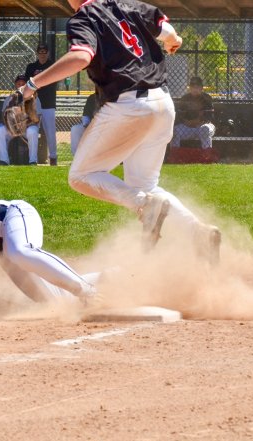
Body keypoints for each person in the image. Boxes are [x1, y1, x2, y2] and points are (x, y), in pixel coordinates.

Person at [18, 0, 221, 258]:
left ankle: (144, 204)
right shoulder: (128, 5)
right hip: (163, 104)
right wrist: (174, 41)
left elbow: (80, 57)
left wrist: (32, 85)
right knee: (145, 185)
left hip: (128, 106)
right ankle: (199, 233)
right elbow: (168, 32)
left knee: (80, 176)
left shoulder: (84, 17)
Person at [0, 75, 42, 165]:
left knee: (32, 131)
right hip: (12, 128)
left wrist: (24, 123)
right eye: (18, 83)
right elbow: (3, 116)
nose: (20, 86)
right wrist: (11, 124)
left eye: (23, 84)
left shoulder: (34, 98)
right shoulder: (10, 98)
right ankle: (4, 160)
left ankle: (32, 161)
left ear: (27, 85)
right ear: (15, 85)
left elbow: (37, 119)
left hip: (27, 128)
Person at [24, 43, 58, 165]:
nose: (42, 54)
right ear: (37, 53)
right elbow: (27, 84)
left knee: (50, 132)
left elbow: (54, 81)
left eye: (44, 52)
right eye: (40, 52)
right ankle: (33, 159)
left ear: (48, 53)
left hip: (48, 103)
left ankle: (53, 157)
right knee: (33, 130)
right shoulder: (31, 67)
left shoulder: (52, 66)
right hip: (34, 105)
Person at [172, 76, 215, 149]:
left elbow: (209, 117)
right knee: (175, 131)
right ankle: (175, 153)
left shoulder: (206, 98)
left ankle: (207, 153)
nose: (195, 89)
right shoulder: (185, 98)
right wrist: (186, 122)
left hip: (202, 126)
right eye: (193, 87)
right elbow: (179, 115)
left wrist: (198, 122)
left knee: (205, 129)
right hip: (187, 127)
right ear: (190, 88)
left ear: (201, 88)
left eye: (197, 87)